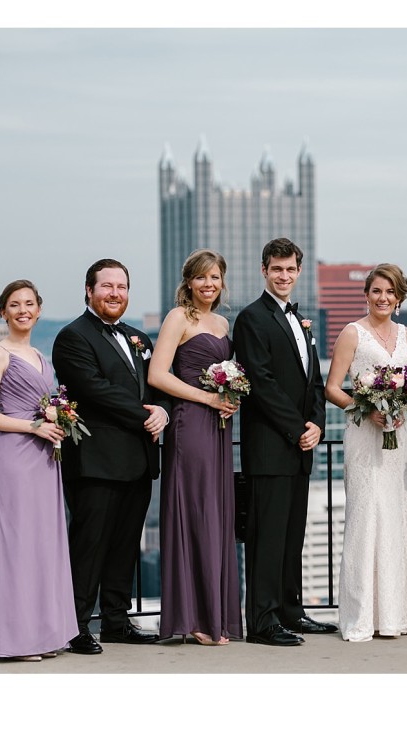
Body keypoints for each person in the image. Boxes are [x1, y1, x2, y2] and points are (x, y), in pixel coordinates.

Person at [52, 259, 170, 655]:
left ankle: (117, 622)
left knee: (125, 546)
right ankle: (75, 626)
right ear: (89, 291)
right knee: (89, 547)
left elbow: (157, 384)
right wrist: (146, 414)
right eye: (107, 286)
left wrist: (164, 410)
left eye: (121, 287)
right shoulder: (72, 337)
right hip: (96, 463)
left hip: (137, 460)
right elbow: (95, 389)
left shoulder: (139, 337)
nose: (115, 293)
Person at [325, 264, 407, 641]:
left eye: (390, 292)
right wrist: (365, 409)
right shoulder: (352, 333)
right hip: (364, 436)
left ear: (399, 296)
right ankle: (363, 615)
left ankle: (399, 611)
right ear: (367, 294)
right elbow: (333, 388)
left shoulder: (405, 333)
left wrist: (400, 407)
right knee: (368, 513)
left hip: (398, 438)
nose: (383, 298)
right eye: (376, 291)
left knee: (397, 512)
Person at [233, 237, 333, 646]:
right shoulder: (251, 318)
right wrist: (298, 427)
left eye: (291, 269)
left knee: (292, 537)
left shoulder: (300, 319)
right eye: (277, 269)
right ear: (264, 270)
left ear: (298, 271)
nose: (284, 275)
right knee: (267, 539)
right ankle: (262, 621)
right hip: (270, 447)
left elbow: (313, 381)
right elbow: (260, 383)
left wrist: (318, 424)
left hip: (299, 446)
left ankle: (292, 612)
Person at [0, 280, 78, 661]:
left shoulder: (40, 355)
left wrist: (54, 423)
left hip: (44, 459)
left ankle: (44, 635)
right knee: (18, 546)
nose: (23, 310)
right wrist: (33, 426)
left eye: (29, 303)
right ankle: (16, 641)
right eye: (14, 304)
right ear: (3, 312)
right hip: (16, 459)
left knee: (43, 546)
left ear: (38, 309)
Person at [147, 249, 243, 646]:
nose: (209, 284)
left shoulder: (222, 321)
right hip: (191, 425)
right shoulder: (178, 318)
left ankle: (215, 615)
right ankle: (194, 618)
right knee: (198, 512)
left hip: (220, 426)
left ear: (222, 282)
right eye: (201, 278)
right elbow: (157, 374)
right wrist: (206, 399)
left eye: (215, 277)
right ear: (188, 282)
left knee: (217, 514)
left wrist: (231, 394)